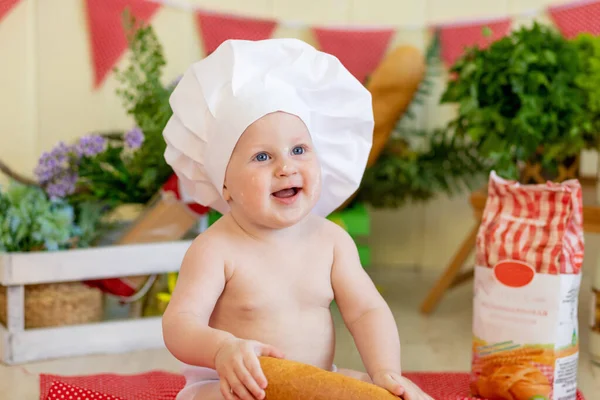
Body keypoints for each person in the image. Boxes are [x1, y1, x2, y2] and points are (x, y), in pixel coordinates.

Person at [161, 38, 434, 400]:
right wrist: (222, 349)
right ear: (223, 185)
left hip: (316, 382)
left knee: (388, 396)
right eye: (262, 157)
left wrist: (385, 372)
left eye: (299, 149)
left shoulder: (331, 242)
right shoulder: (215, 249)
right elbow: (179, 324)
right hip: (236, 387)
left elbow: (366, 310)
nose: (286, 167)